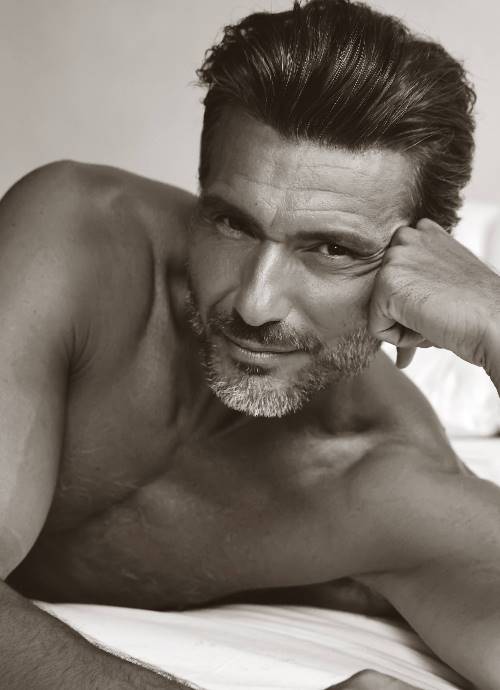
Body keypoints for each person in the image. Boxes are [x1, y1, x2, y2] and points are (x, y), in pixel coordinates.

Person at [1, 0, 499, 688]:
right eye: (233, 223)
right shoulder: (76, 236)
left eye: (331, 249)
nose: (254, 303)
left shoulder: (390, 486)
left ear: (418, 264)